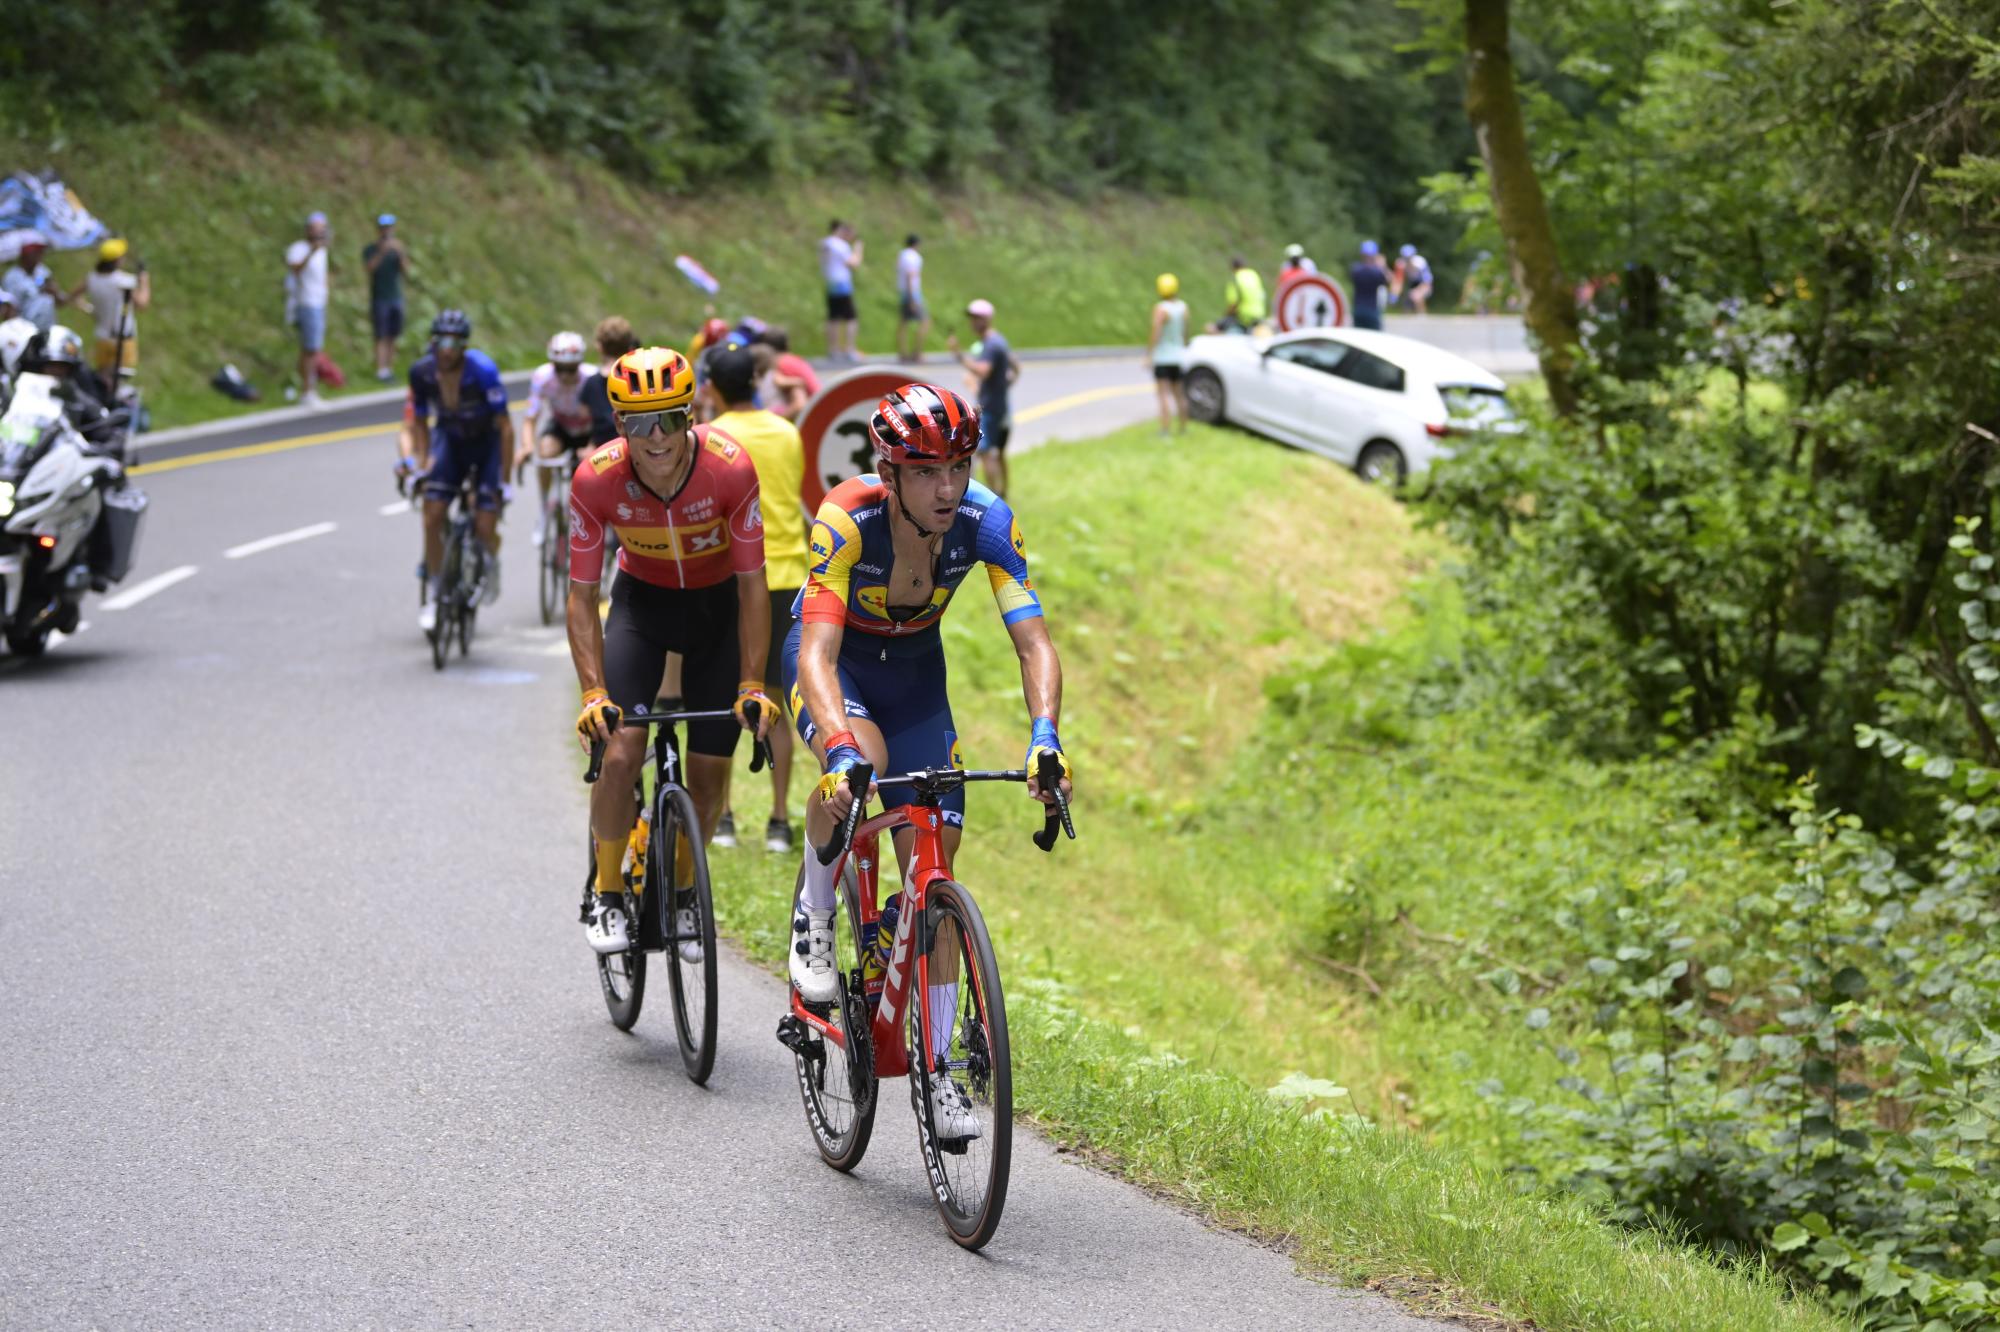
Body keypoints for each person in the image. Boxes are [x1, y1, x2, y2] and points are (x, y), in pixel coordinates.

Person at [786, 383, 1070, 1137]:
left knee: (935, 876)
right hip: (838, 667)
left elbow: (1033, 640)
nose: (948, 487)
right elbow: (815, 650)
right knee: (860, 769)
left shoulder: (985, 520)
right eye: (926, 472)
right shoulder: (849, 518)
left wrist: (1045, 736)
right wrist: (837, 742)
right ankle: (815, 916)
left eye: (958, 466)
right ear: (891, 474)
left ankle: (938, 1068)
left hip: (917, 680)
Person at [567, 347, 774, 955]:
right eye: (636, 422)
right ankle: (606, 892)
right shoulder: (595, 479)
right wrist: (592, 692)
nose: (655, 437)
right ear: (617, 425)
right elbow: (581, 598)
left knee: (710, 777)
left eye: (670, 419)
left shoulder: (731, 469)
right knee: (621, 748)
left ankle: (683, 892)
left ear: (693, 414)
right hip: (642, 610)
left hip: (718, 614)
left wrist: (754, 683)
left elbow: (753, 585)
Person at [704, 344, 808, 853]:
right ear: (756, 381)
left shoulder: (712, 437)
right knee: (773, 701)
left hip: (735, 577)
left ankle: (723, 817)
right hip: (789, 571)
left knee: (730, 697)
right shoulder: (787, 432)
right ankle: (779, 821)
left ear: (714, 387)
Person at [396, 309, 510, 633]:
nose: (447, 348)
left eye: (455, 342)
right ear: (433, 342)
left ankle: (488, 562)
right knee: (431, 515)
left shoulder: (483, 370)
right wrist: (421, 460)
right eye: (442, 341)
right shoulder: (421, 372)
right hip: (450, 440)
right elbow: (418, 421)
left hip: (485, 442)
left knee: (485, 525)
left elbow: (505, 427)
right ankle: (435, 591)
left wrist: (504, 481)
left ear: (464, 345)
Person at [515, 330, 598, 546]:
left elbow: (604, 419)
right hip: (561, 427)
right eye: (559, 368)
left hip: (589, 431)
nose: (565, 375)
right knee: (545, 452)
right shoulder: (543, 376)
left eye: (571, 369)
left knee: (590, 477)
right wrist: (526, 446)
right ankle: (544, 511)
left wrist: (592, 446)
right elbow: (530, 417)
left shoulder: (591, 377)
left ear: (579, 363)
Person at [946, 298, 1017, 497]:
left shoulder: (991, 345)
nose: (973, 322)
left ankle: (993, 497)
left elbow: (983, 371)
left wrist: (958, 355)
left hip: (991, 408)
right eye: (972, 318)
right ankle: (1003, 492)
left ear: (987, 319)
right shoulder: (998, 341)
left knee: (986, 454)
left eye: (977, 318)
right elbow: (1015, 368)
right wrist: (1003, 385)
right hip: (1000, 405)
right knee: (999, 453)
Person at [79, 238, 149, 385]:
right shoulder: (123, 281)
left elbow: (73, 297)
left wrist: (89, 309)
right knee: (118, 382)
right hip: (123, 339)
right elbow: (142, 303)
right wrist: (144, 280)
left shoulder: (92, 278)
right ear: (117, 260)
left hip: (102, 336)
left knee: (101, 380)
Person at [285, 212, 332, 407]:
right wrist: (311, 251)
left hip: (318, 302)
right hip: (306, 303)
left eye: (321, 229)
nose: (318, 233)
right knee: (310, 348)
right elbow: (295, 269)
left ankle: (308, 388)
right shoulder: (299, 248)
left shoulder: (323, 251)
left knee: (313, 348)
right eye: (314, 228)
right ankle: (308, 390)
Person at [363, 214, 410, 382]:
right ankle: (380, 370)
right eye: (383, 227)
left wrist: (401, 253)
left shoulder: (397, 248)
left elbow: (406, 270)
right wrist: (382, 252)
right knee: (381, 334)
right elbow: (369, 268)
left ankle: (390, 368)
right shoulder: (371, 249)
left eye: (389, 227)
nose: (386, 231)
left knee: (393, 334)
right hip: (380, 297)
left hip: (396, 297)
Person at [581, 315, 640, 447]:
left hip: (601, 448)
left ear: (600, 348)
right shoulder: (638, 378)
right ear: (629, 345)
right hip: (633, 442)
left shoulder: (592, 383)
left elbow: (583, 416)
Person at [1147, 274, 1190, 436]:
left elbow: (1156, 332)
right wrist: (1184, 346)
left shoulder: (1161, 308)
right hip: (1179, 356)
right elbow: (1185, 331)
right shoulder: (1183, 307)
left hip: (1163, 357)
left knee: (1163, 395)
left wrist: (1149, 353)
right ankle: (1183, 429)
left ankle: (1165, 430)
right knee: (1180, 394)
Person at [752, 325, 820, 423]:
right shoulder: (793, 359)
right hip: (816, 406)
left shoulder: (781, 364)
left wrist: (775, 423)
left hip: (811, 413)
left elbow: (799, 403)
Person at [820, 220, 863, 362]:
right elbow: (854, 263)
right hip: (841, 284)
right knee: (851, 318)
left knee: (833, 318)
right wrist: (858, 249)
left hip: (830, 283)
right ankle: (849, 349)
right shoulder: (840, 245)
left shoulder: (825, 243)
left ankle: (833, 349)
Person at [4, 236, 66, 334]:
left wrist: (55, 292)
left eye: (41, 252)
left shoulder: (43, 271)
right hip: (27, 333)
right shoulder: (12, 278)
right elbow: (9, 310)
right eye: (36, 252)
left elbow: (61, 301)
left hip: (50, 329)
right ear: (25, 254)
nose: (40, 255)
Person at [895, 233, 929, 363]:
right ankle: (917, 353)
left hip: (903, 292)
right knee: (925, 321)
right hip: (912, 293)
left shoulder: (902, 255)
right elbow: (910, 276)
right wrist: (912, 298)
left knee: (903, 323)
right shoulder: (914, 257)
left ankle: (903, 353)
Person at [1350, 240, 1392, 332]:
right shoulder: (1377, 272)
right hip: (1372, 310)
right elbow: (1389, 280)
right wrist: (1382, 266)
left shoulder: (1356, 270)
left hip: (1358, 310)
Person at [1223, 254, 1267, 333]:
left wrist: (1225, 317)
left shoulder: (1235, 278)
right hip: (1259, 315)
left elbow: (1233, 304)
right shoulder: (1254, 275)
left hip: (1244, 319)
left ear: (1233, 267)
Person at [1398, 243, 1434, 314]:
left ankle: (1421, 315)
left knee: (1416, 296)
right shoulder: (1401, 263)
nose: (1407, 259)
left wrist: (1418, 291)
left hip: (1423, 284)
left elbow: (1427, 281)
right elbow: (1398, 279)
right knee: (1407, 299)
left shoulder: (1420, 262)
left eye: (1409, 257)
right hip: (1411, 285)